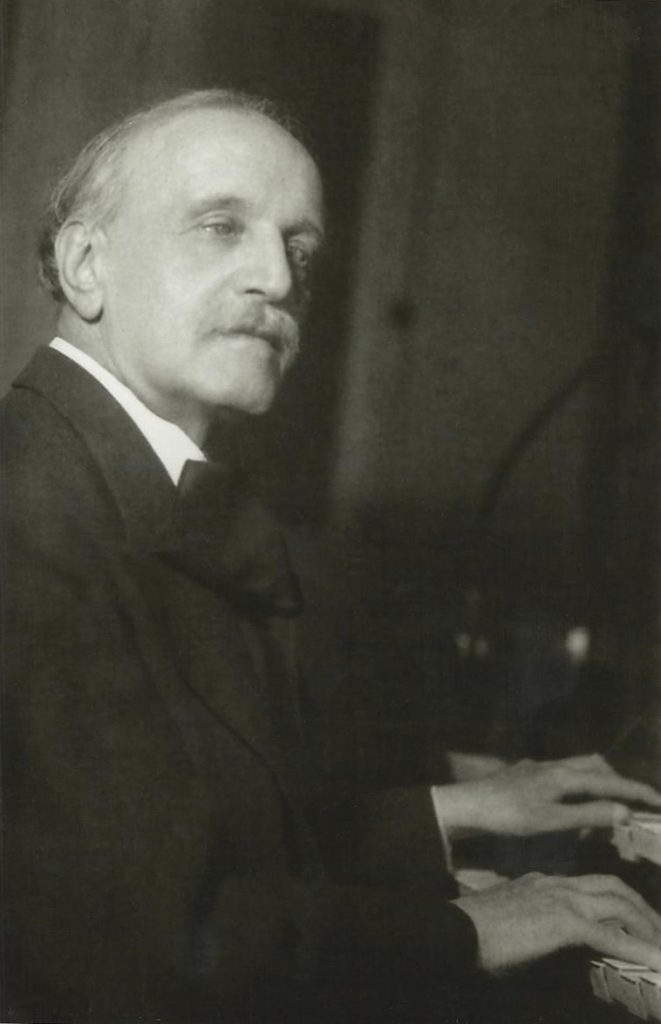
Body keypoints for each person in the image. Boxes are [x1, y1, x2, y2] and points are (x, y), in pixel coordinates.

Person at [1, 88, 661, 1024]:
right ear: (85, 265)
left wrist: (452, 813)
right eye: (220, 227)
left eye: (299, 249)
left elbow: (203, 844)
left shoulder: (104, 481)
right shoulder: (27, 516)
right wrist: (474, 925)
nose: (276, 277)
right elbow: (160, 951)